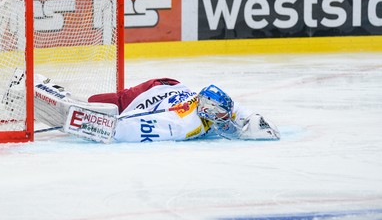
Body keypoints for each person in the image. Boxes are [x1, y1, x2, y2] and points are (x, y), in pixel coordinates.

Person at [33, 77, 280, 143]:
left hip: (172, 89)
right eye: (220, 116)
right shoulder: (184, 125)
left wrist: (253, 120)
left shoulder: (212, 104)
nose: (225, 120)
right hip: (153, 91)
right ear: (207, 112)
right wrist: (94, 125)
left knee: (103, 103)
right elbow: (134, 128)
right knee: (105, 104)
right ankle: (42, 89)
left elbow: (236, 108)